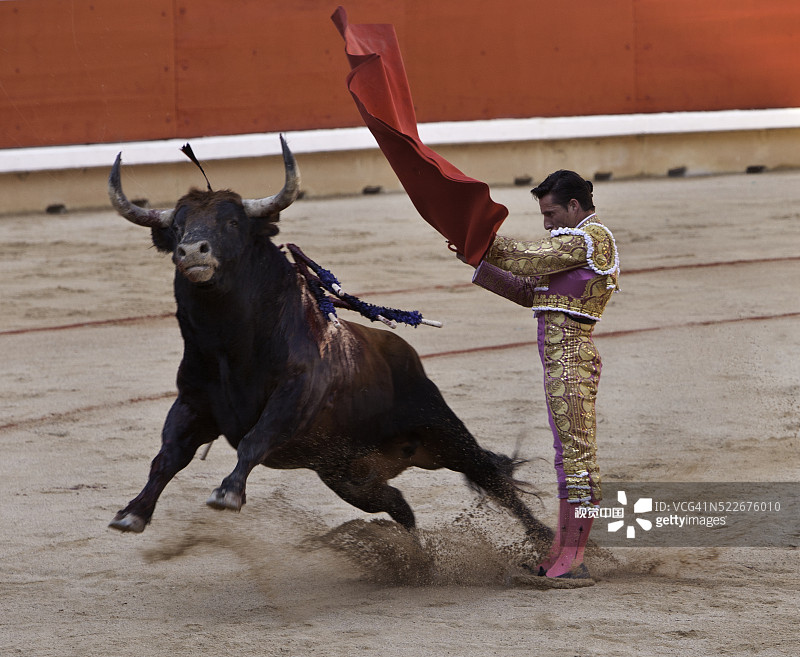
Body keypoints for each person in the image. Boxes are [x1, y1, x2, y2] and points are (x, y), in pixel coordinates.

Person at [471, 170, 620, 584]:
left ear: (575, 206)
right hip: (559, 364)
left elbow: (528, 258)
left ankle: (573, 560)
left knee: (578, 461)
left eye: (551, 212)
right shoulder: (570, 246)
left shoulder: (592, 238)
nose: (547, 222)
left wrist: (480, 242)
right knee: (567, 459)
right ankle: (561, 553)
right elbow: (527, 290)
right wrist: (478, 260)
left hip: (572, 362)